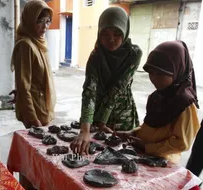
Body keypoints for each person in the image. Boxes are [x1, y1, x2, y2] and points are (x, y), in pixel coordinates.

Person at [70, 7, 142, 154]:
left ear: (125, 31)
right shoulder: (96, 55)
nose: (111, 39)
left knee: (123, 157)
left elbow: (118, 87)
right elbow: (90, 90)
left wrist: (101, 120)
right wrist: (85, 129)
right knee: (91, 157)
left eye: (117, 34)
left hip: (122, 115)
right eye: (105, 33)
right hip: (95, 114)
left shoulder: (134, 54)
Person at [116, 40, 200, 164]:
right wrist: (133, 132)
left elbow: (182, 143)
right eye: (151, 73)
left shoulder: (184, 103)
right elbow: (151, 126)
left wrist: (148, 147)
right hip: (143, 154)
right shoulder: (156, 96)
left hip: (163, 161)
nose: (154, 79)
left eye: (160, 74)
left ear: (176, 70)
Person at [10, 0, 56, 129]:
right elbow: (24, 86)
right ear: (30, 20)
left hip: (42, 106)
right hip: (35, 111)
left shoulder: (39, 42)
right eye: (40, 21)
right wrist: (33, 119)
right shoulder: (26, 45)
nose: (45, 26)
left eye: (48, 21)